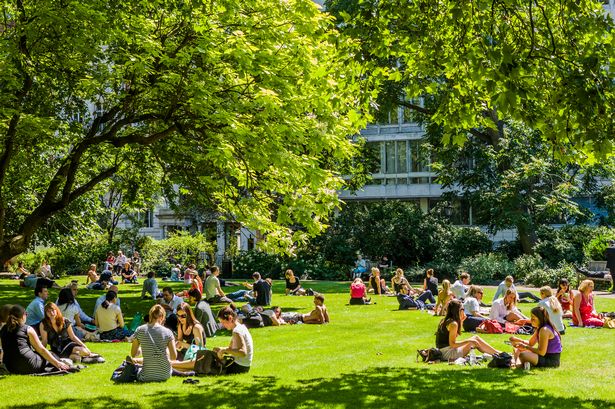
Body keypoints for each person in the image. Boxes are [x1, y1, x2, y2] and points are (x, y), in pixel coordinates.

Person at [172, 306, 253, 375]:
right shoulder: (240, 328)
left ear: (230, 318)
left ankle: (171, 365)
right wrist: (221, 349)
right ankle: (174, 366)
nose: (223, 325)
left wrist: (224, 350)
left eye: (223, 322)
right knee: (204, 360)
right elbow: (233, 349)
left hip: (238, 367)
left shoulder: (237, 331)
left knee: (203, 362)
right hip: (241, 366)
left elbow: (243, 352)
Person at [0, 304, 70, 374]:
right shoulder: (27, 329)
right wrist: (57, 363)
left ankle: (60, 362)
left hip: (11, 367)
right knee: (51, 354)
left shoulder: (3, 329)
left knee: (43, 356)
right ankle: (61, 364)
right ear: (22, 316)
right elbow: (41, 349)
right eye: (26, 314)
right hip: (29, 365)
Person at [435, 299, 500, 362]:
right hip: (447, 353)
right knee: (473, 342)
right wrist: (469, 340)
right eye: (463, 309)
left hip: (445, 350)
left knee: (476, 338)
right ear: (458, 311)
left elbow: (455, 337)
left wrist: (461, 320)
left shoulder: (446, 320)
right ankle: (498, 355)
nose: (464, 312)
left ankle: (498, 353)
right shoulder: (453, 324)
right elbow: (453, 344)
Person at [131, 304, 177, 382]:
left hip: (146, 375)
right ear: (162, 317)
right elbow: (174, 357)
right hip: (165, 374)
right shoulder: (168, 332)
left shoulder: (139, 330)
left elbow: (133, 354)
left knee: (135, 370)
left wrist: (140, 349)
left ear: (150, 316)